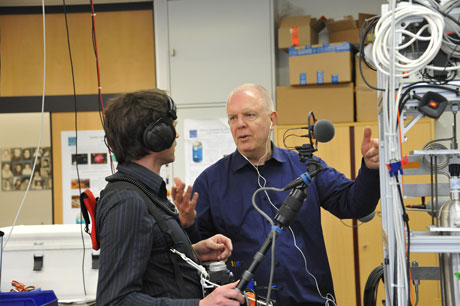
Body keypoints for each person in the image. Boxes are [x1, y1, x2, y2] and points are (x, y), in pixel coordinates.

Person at [173, 83, 380, 306]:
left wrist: (370, 169)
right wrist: (186, 223)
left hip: (309, 299)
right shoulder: (211, 181)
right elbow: (195, 253)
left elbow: (355, 205)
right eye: (233, 118)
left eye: (249, 115)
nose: (240, 124)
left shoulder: (305, 168)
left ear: (272, 119)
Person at [96, 89, 244, 306]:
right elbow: (115, 301)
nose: (176, 135)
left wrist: (192, 252)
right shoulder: (127, 202)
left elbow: (152, 261)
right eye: (172, 128)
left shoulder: (145, 193)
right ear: (156, 136)